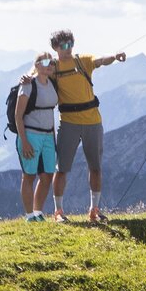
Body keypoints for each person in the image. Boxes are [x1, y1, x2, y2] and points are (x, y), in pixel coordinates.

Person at [47, 29, 125, 223]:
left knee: (96, 167)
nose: (68, 49)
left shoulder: (82, 61)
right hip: (68, 122)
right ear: (55, 48)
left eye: (70, 44)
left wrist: (114, 56)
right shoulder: (53, 67)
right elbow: (36, 72)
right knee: (62, 168)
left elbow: (100, 60)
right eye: (63, 46)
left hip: (93, 121)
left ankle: (94, 210)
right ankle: (58, 212)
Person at [13, 54, 60, 222]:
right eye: (46, 62)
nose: (50, 65)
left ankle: (38, 211)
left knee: (47, 175)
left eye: (52, 63)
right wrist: (24, 141)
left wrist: (53, 141)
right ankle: (29, 215)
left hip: (48, 136)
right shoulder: (28, 85)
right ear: (37, 65)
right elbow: (18, 115)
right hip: (31, 135)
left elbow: (51, 113)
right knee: (29, 175)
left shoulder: (52, 84)